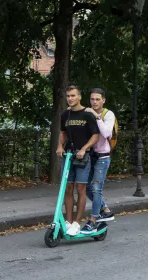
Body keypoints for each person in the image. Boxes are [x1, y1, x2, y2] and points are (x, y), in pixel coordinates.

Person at [56, 85, 99, 236]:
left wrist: (84, 148)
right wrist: (60, 146)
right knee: (67, 188)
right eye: (68, 96)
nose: (70, 99)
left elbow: (95, 135)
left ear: (79, 97)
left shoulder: (87, 114)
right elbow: (62, 133)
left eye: (73, 96)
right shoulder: (64, 114)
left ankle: (76, 222)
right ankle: (68, 221)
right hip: (68, 155)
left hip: (82, 156)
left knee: (80, 189)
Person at [80, 88, 116, 234]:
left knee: (96, 189)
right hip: (90, 157)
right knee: (86, 187)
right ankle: (105, 210)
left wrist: (96, 116)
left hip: (102, 158)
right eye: (92, 99)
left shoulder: (108, 114)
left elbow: (107, 133)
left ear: (103, 100)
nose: (94, 102)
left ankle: (93, 221)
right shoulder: (88, 113)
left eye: (97, 99)